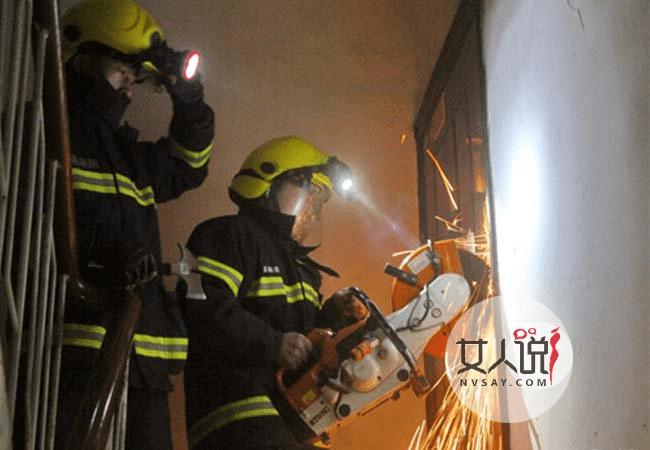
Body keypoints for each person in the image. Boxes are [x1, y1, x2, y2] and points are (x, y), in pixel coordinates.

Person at [56, 1, 215, 449]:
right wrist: (103, 256)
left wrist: (189, 101)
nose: (129, 85)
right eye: (121, 70)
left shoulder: (131, 157)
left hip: (143, 359)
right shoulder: (44, 131)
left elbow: (188, 166)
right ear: (82, 62)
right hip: (73, 356)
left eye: (135, 75)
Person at [182, 136, 367, 450]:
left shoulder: (301, 270)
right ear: (268, 184)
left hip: (290, 423)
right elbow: (204, 307)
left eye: (318, 204)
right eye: (309, 195)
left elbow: (302, 345)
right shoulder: (229, 235)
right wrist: (273, 343)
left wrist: (334, 316)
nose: (312, 213)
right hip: (240, 417)